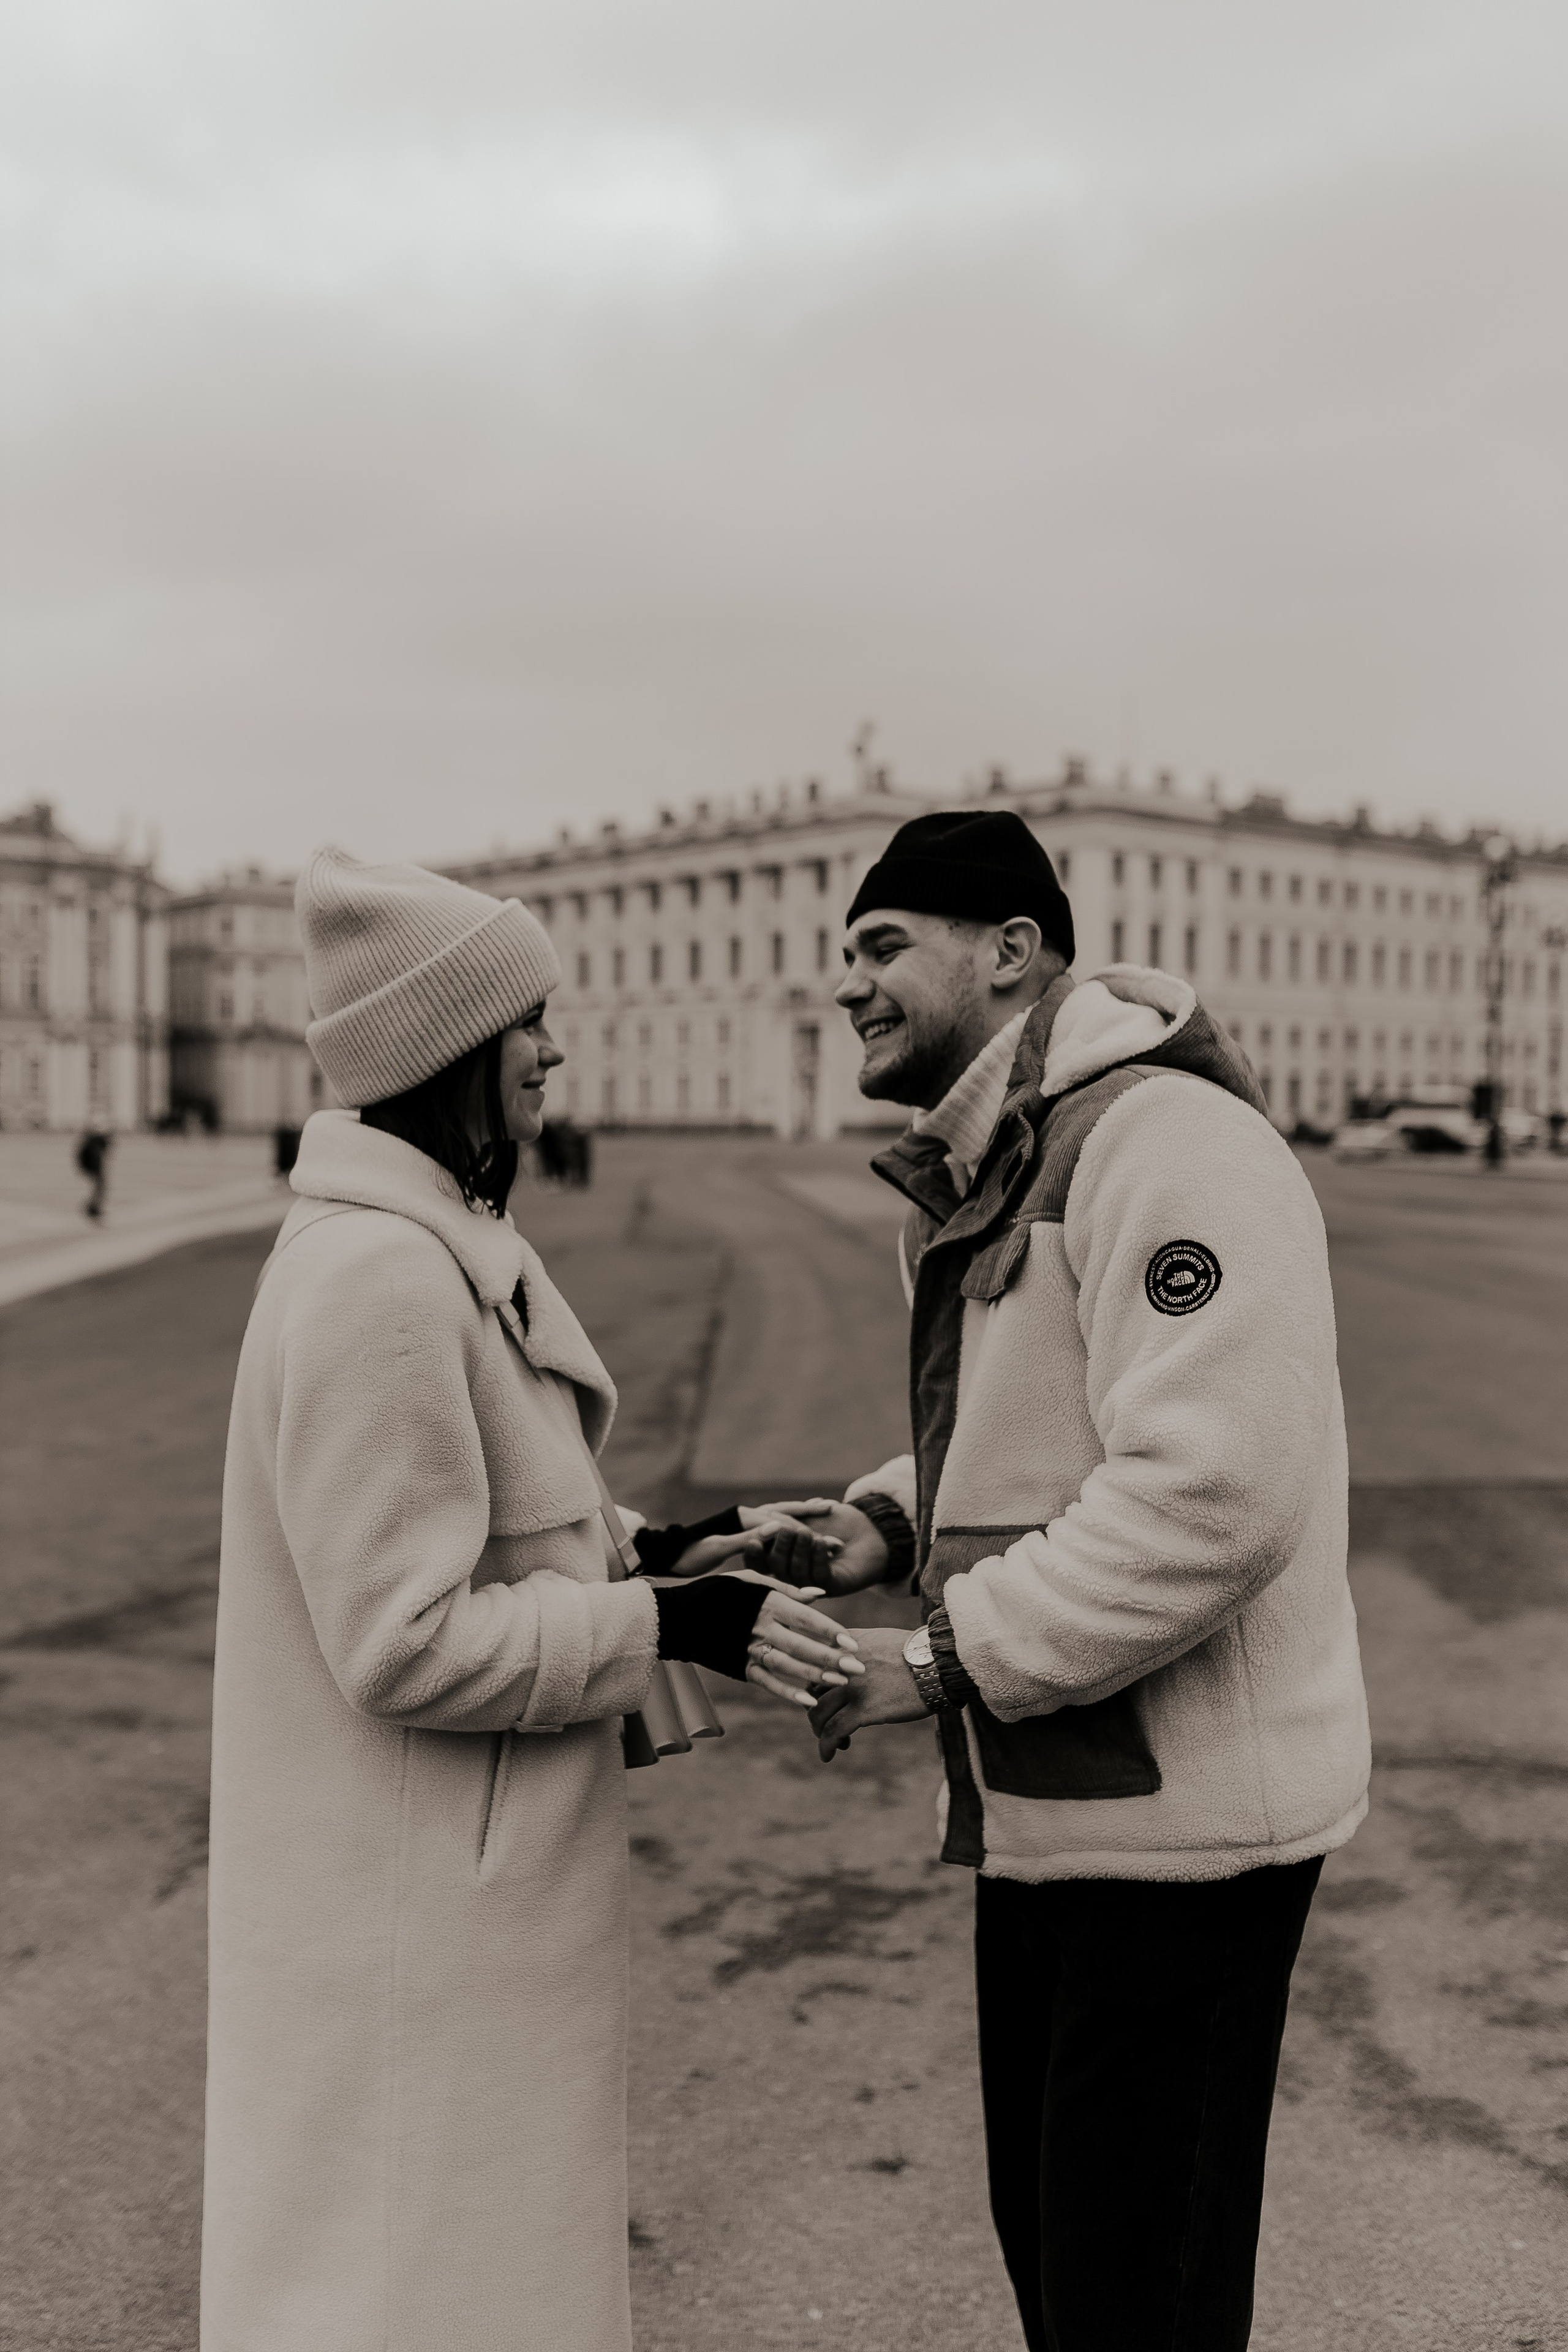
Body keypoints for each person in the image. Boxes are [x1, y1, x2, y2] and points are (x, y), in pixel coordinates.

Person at [203, 848, 861, 2352]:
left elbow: (506, 1520)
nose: (554, 1049)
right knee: (419, 2291)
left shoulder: (415, 1249)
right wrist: (668, 1627)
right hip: (420, 1914)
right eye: (529, 1022)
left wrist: (680, 1546)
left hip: (445, 1898)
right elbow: (401, 1639)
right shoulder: (380, 1279)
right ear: (450, 1048)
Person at [786, 810, 1371, 2352]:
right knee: (1068, 2280)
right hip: (1063, 1814)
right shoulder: (1011, 1151)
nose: (844, 982)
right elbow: (1052, 1435)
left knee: (1132, 2306)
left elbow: (1212, 1492)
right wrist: (878, 1523)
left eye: (880, 944)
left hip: (1180, 1849)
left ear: (1009, 950)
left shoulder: (1166, 1142)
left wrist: (928, 1660)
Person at [75, 1126, 111, 1219]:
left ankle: (93, 1208)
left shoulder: (92, 1145)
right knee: (99, 1188)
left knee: (98, 1189)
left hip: (92, 1170)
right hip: (94, 1170)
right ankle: (93, 1208)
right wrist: (97, 1172)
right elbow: (95, 1161)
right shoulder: (95, 1147)